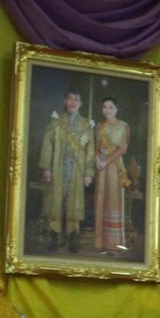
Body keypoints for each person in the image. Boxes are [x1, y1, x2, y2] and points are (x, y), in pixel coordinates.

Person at [38, 88, 95, 252]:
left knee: (74, 204)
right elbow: (47, 145)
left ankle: (73, 238)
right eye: (70, 99)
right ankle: (54, 236)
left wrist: (88, 174)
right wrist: (46, 168)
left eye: (76, 99)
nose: (73, 102)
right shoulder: (56, 122)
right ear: (65, 101)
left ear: (81, 103)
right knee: (56, 201)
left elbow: (90, 151)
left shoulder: (86, 125)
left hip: (77, 170)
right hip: (58, 167)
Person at [92, 96, 130, 255]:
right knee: (101, 203)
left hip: (115, 167)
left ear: (116, 109)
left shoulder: (123, 126)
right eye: (105, 107)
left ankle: (115, 246)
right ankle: (102, 244)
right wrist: (97, 161)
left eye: (111, 107)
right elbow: (94, 146)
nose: (107, 110)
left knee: (114, 203)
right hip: (101, 167)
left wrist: (105, 161)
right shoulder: (99, 126)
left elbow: (122, 149)